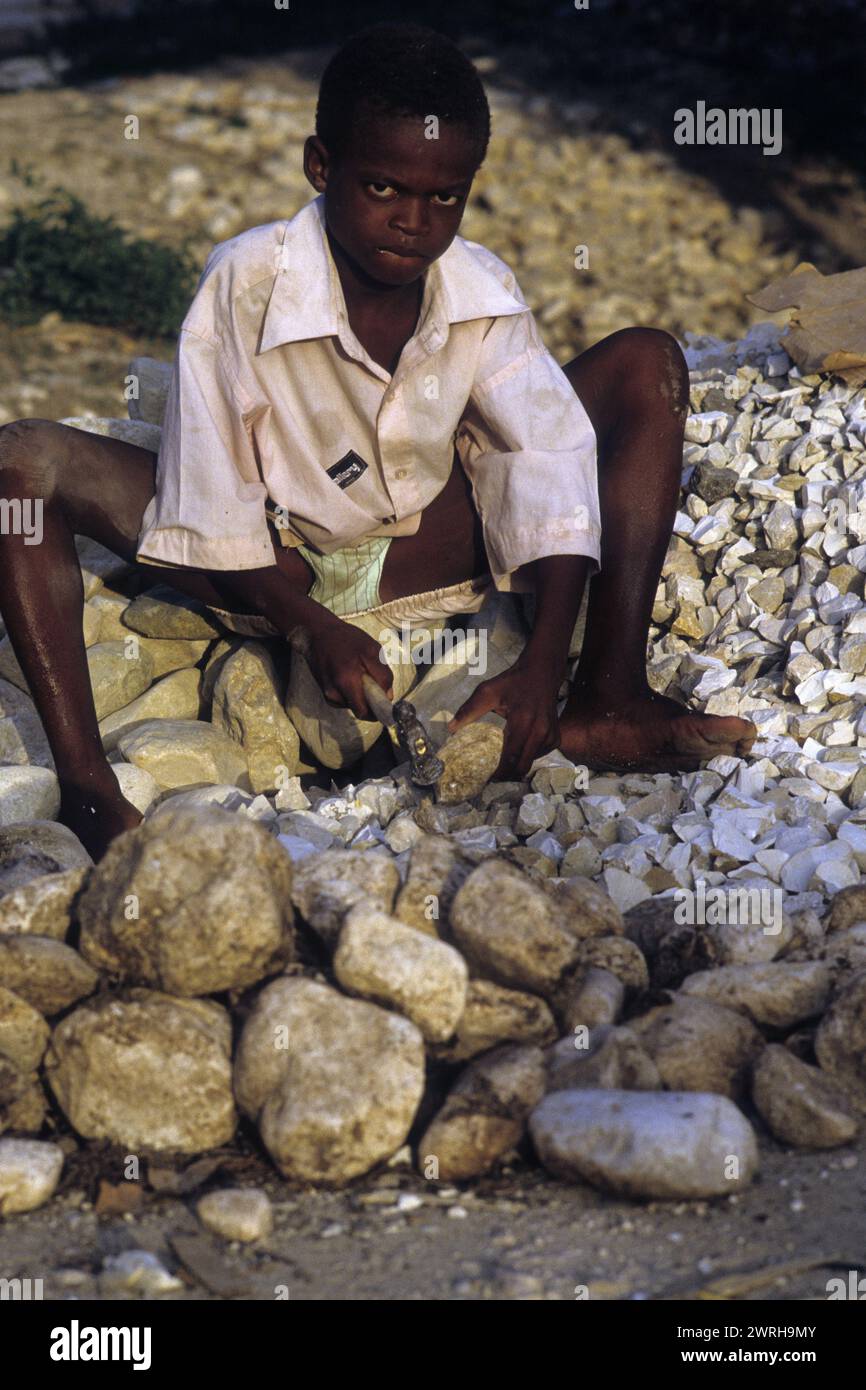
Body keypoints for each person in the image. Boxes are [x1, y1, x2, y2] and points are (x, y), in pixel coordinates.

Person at [0, 22, 756, 860]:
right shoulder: (247, 281)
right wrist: (307, 624)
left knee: (647, 360)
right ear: (321, 167)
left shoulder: (479, 287)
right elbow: (209, 493)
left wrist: (542, 668)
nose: (413, 222)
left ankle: (608, 695)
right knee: (24, 458)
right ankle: (85, 786)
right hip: (268, 566)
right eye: (385, 188)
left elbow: (548, 458)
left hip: (418, 552)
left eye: (444, 198)